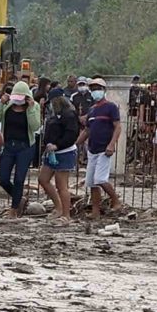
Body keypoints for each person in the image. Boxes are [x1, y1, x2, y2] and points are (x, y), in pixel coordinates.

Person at [0, 80, 41, 217]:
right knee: (2, 178)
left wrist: (31, 108)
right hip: (9, 146)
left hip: (25, 147)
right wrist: (1, 104)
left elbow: (35, 127)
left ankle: (14, 208)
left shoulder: (34, 107)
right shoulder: (7, 106)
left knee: (19, 179)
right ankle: (19, 198)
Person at [83, 81, 122, 221]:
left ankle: (115, 200)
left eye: (97, 89)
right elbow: (87, 130)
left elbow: (117, 127)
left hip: (104, 149)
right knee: (92, 182)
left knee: (100, 179)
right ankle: (95, 211)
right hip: (92, 149)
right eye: (92, 89)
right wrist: (75, 143)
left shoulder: (111, 107)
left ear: (104, 90)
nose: (95, 91)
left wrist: (112, 144)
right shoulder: (92, 110)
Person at [38, 94, 81, 220]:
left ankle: (66, 215)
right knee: (43, 179)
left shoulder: (69, 115)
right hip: (51, 153)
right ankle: (59, 207)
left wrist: (58, 145)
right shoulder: (54, 116)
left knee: (61, 185)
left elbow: (71, 135)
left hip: (64, 152)